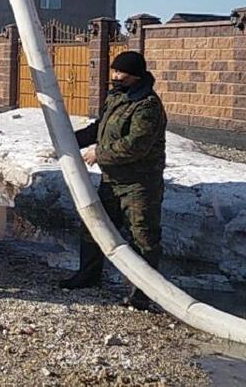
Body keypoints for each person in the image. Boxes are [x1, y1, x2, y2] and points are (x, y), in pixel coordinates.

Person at [59, 50, 167, 312]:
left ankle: (141, 293)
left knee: (142, 237)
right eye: (115, 72)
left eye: (121, 73)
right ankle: (88, 276)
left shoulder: (147, 106)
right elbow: (100, 129)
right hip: (112, 180)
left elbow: (135, 145)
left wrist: (99, 154)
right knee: (95, 227)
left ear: (136, 75)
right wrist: (69, 139)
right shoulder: (117, 98)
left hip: (139, 184)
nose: (116, 77)